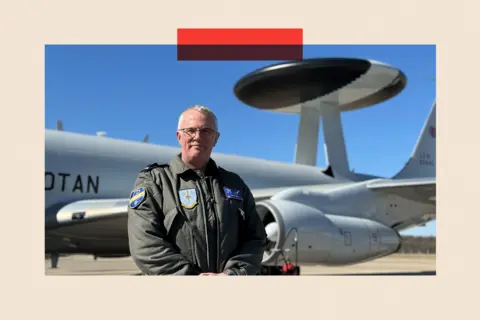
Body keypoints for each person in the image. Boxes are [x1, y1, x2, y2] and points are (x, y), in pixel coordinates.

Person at [127, 105, 267, 275]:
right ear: (179, 136)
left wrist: (233, 275)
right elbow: (144, 243)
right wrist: (192, 278)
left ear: (216, 138)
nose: (198, 137)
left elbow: (255, 238)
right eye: (190, 130)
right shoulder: (155, 182)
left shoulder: (235, 184)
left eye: (206, 131)